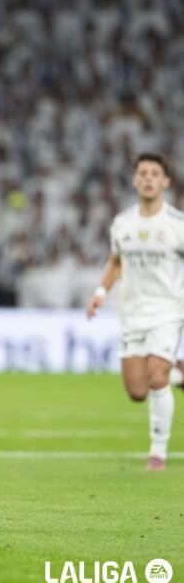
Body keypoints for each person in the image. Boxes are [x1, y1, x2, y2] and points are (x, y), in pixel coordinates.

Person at [87, 153, 180, 471]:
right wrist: (101, 292)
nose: (149, 178)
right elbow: (115, 261)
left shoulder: (177, 224)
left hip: (168, 311)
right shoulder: (123, 223)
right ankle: (178, 372)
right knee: (137, 391)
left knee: (156, 378)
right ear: (135, 181)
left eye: (155, 173)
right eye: (143, 173)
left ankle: (158, 453)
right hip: (132, 313)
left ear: (165, 181)